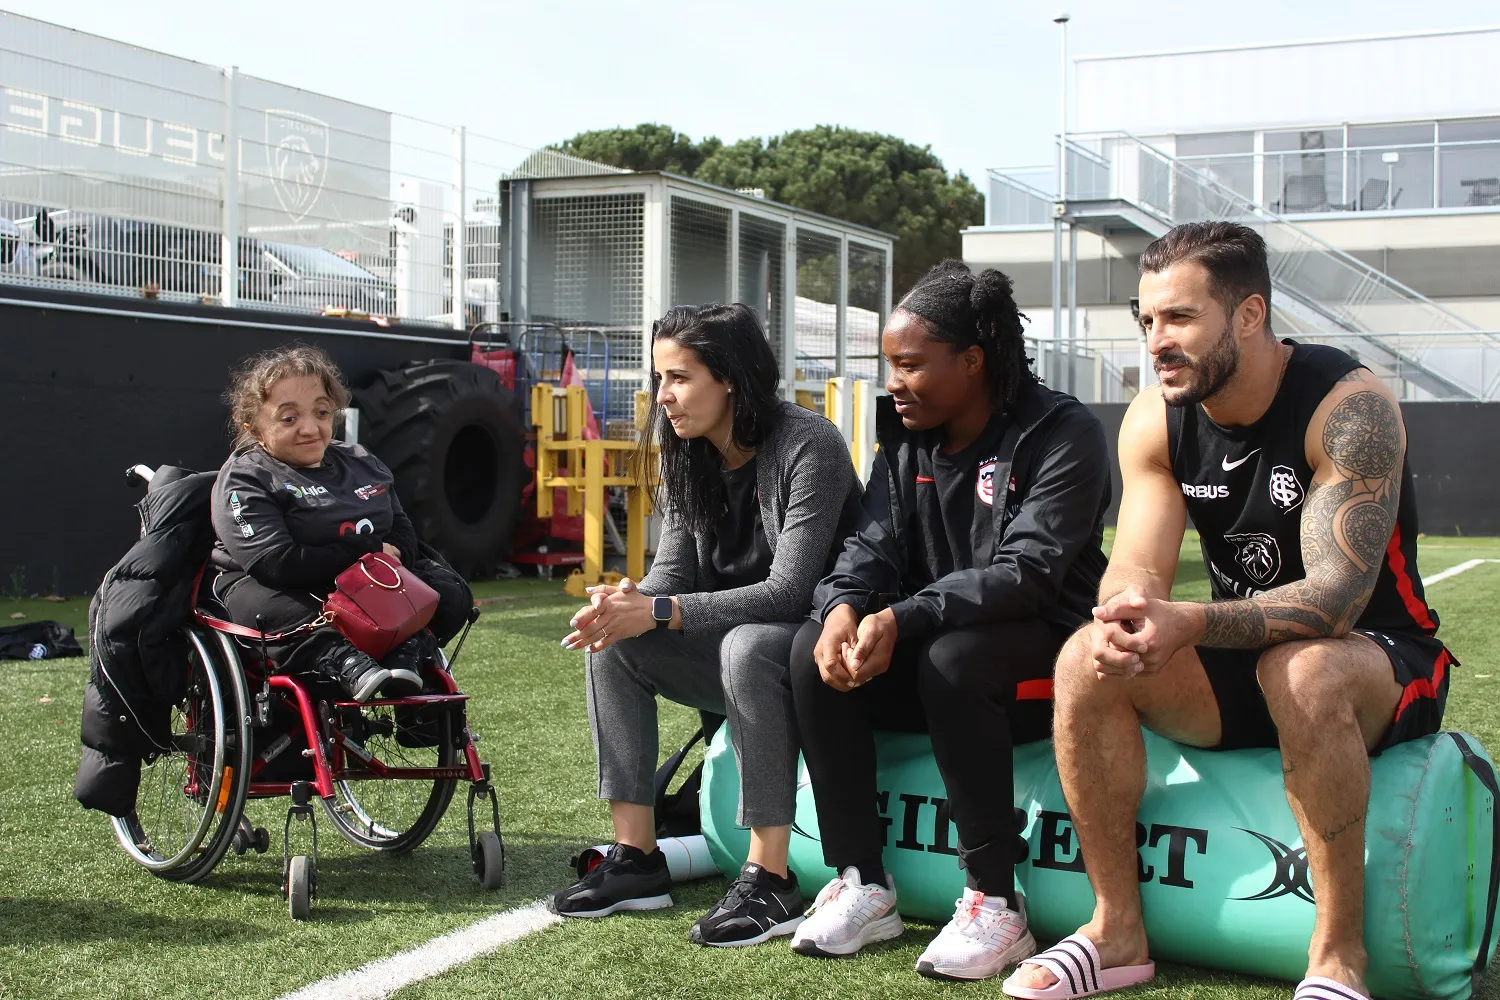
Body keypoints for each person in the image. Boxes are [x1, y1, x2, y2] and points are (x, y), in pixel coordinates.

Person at [1003, 222, 1453, 1000]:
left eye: (1179, 318)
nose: (1156, 341)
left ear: (1248, 315)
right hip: (1244, 660)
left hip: (1380, 656)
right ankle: (1117, 931)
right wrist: (1125, 616)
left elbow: (1336, 600)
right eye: (1146, 322)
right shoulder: (1157, 417)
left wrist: (1193, 623)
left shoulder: (1350, 407)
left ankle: (1337, 957)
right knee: (1085, 655)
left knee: (1305, 669)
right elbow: (1135, 569)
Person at [787, 260, 1112, 981]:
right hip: (936, 641)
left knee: (954, 660)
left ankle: (996, 902)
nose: (893, 382)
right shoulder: (905, 441)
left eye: (909, 365)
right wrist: (842, 606)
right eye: (888, 366)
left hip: (1044, 651)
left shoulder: (1063, 432)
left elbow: (1027, 574)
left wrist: (903, 618)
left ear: (972, 361)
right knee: (812, 645)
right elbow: (868, 546)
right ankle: (862, 882)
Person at [548, 303, 863, 948]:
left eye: (679, 378)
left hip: (815, 646)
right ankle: (636, 859)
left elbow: (791, 591)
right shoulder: (688, 452)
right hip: (735, 646)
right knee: (614, 644)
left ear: (732, 380)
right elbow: (674, 574)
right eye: (659, 378)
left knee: (747, 647)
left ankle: (770, 876)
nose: (662, 396)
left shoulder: (811, 445)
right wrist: (627, 602)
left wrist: (662, 610)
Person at [208, 345, 469, 701]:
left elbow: (402, 531)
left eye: (321, 412)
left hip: (363, 583)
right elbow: (274, 563)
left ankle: (410, 657)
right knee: (274, 609)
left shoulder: (360, 461)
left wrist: (392, 556)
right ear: (253, 428)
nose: (310, 428)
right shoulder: (245, 478)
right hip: (276, 586)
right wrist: (368, 553)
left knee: (448, 592)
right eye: (289, 419)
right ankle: (342, 659)